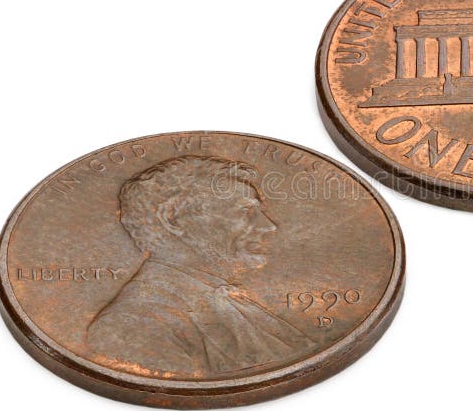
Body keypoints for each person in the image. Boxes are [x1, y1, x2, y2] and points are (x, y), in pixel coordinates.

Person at [87, 156, 313, 377]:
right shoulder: (134, 324)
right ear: (173, 219)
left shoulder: (230, 301)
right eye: (245, 212)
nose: (269, 226)